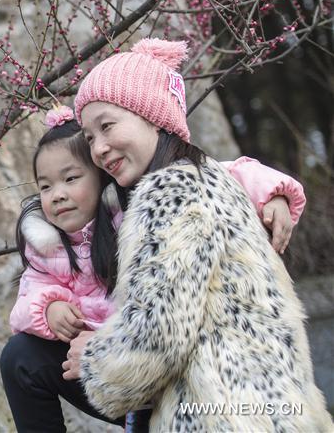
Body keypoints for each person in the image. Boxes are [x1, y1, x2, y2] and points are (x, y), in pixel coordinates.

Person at [63, 38, 332, 431]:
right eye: (89, 137)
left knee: (25, 360)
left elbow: (157, 338)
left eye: (107, 126)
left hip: (220, 416)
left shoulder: (170, 193)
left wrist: (94, 357)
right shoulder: (208, 179)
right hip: (270, 410)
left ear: (152, 115)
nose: (99, 148)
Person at [1, 102, 307, 432]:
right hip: (109, 372)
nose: (58, 195)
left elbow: (227, 172)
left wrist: (274, 194)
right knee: (20, 356)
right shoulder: (47, 245)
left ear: (102, 177)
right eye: (45, 187)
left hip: (166, 375)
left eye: (71, 178)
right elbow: (26, 300)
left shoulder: (140, 206)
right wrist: (48, 308)